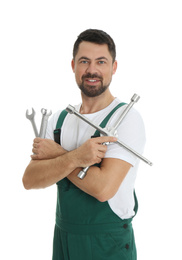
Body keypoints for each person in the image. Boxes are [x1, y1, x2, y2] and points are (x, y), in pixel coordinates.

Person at [23, 29, 146, 260]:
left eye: (101, 61)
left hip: (107, 243)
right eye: (84, 61)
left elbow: (103, 189)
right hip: (64, 237)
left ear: (114, 67)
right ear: (73, 65)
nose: (92, 70)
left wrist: (60, 155)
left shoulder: (127, 119)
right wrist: (77, 157)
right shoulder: (59, 119)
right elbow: (30, 179)